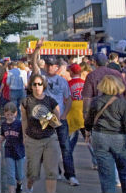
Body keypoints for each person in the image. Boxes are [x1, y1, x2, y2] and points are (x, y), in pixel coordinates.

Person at [30, 40, 78, 186]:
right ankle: (55, 171)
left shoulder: (62, 81)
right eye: (48, 64)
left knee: (65, 147)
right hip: (45, 118)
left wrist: (64, 115)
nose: (50, 67)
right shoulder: (41, 79)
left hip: (59, 118)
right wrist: (37, 49)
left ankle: (70, 175)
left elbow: (68, 99)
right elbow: (34, 64)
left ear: (57, 67)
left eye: (53, 65)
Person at [84, 75, 126, 193]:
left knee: (106, 178)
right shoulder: (122, 103)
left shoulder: (95, 102)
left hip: (100, 137)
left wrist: (88, 134)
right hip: (119, 137)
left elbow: (88, 121)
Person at [21, 73, 60, 193]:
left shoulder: (51, 101)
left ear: (44, 86)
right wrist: (24, 136)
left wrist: (47, 118)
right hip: (33, 139)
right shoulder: (26, 102)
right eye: (35, 84)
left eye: (40, 84)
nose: (37, 86)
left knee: (51, 171)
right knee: (33, 172)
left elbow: (56, 121)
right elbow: (24, 120)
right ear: (31, 86)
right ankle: (29, 186)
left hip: (49, 138)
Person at [0, 101, 25, 193]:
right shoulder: (4, 124)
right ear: (4, 114)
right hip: (8, 151)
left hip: (19, 152)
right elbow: (3, 135)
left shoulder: (19, 124)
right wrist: (0, 142)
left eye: (11, 114)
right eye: (7, 114)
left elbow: (24, 135)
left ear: (16, 113)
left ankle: (20, 184)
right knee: (10, 175)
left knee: (20, 174)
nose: (9, 116)